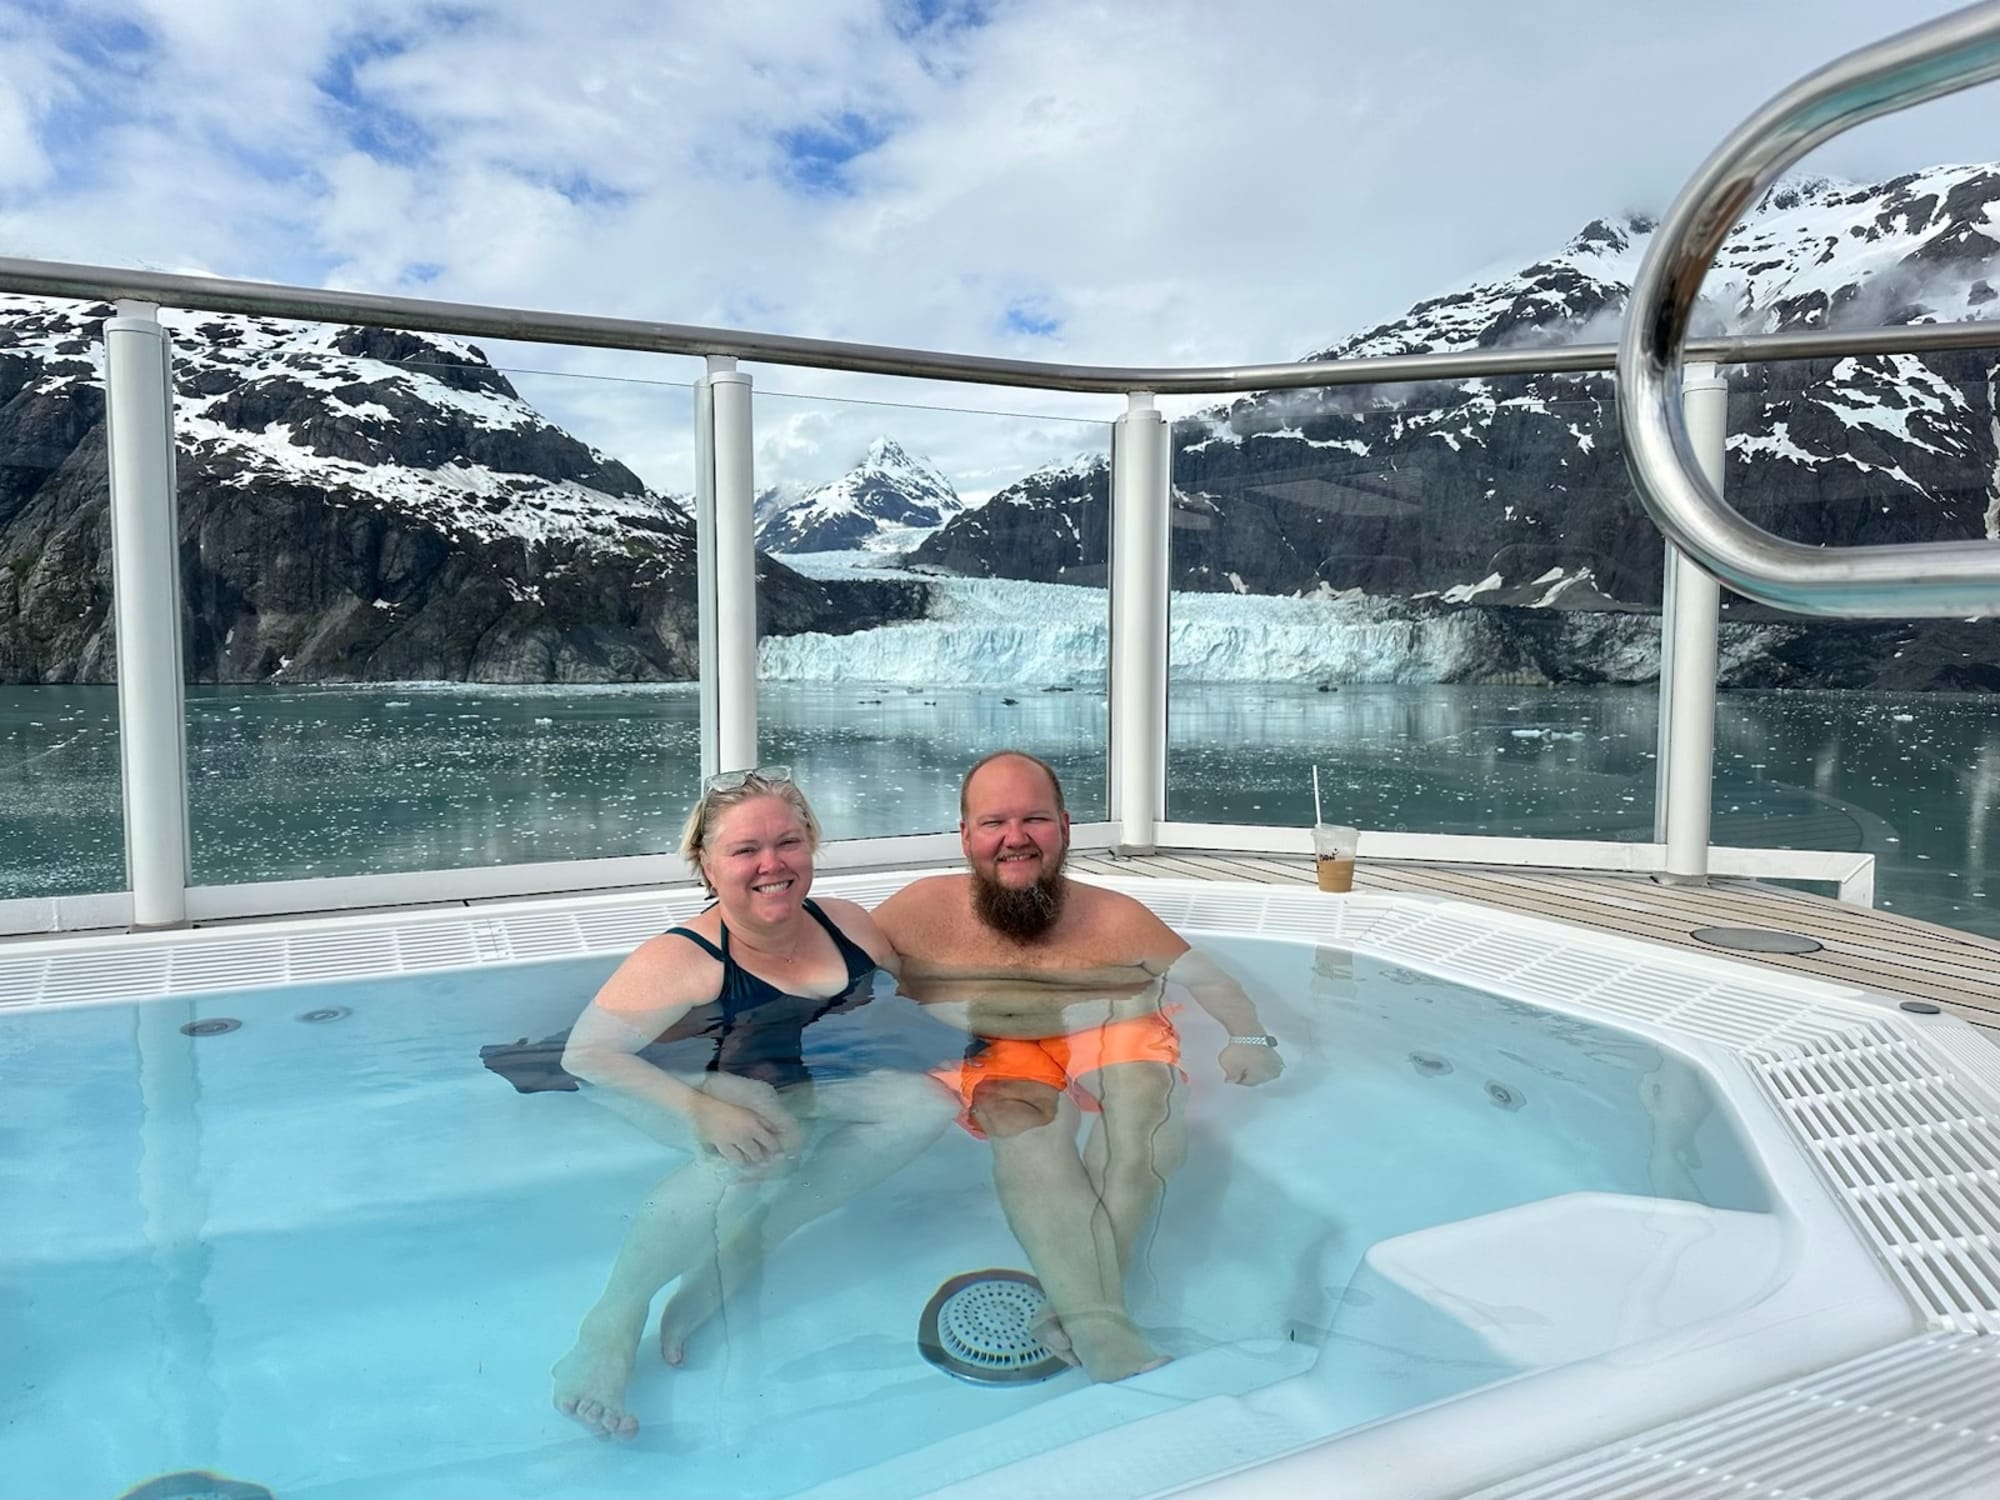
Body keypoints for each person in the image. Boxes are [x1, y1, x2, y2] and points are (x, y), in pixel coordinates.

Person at [551, 767, 954, 1440]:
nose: (772, 864)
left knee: (925, 1103)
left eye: (788, 842)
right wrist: (700, 1110)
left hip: (799, 1077)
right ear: (706, 864)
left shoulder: (849, 924)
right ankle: (612, 1321)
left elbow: (918, 998)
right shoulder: (682, 959)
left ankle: (739, 1254)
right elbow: (587, 1057)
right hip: (700, 1081)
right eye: (745, 850)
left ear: (812, 845)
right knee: (758, 1141)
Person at [874, 750, 1283, 1383]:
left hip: (1109, 1024)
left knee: (1145, 1102)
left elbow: (1207, 977)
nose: (1015, 839)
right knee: (1024, 1127)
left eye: (1034, 819)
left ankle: (1089, 1307)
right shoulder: (921, 910)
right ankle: (1097, 1321)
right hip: (996, 1040)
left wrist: (1249, 1036)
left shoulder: (1114, 917)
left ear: (1064, 826)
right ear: (964, 835)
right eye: (993, 823)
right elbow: (843, 973)